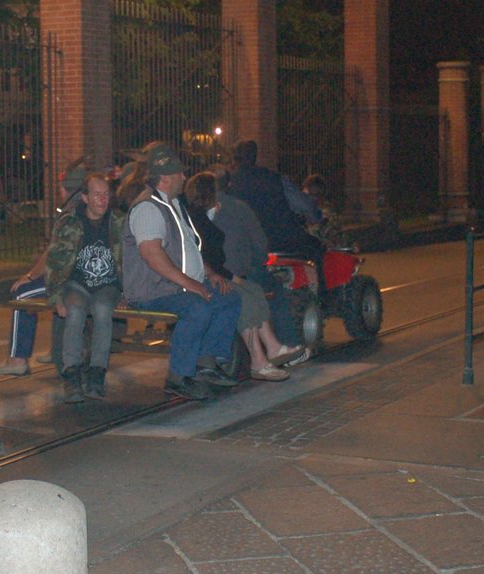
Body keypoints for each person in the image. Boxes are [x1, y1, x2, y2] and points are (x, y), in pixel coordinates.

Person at [121, 143, 243, 401]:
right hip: (152, 289)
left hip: (174, 284)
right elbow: (152, 255)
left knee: (228, 298)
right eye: (179, 173)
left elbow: (187, 248)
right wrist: (191, 284)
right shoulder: (148, 208)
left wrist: (209, 273)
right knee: (197, 307)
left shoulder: (173, 204)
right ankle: (178, 376)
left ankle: (207, 364)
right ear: (165, 178)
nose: (185, 177)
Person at [188, 171, 305, 380]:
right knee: (245, 296)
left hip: (218, 272)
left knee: (254, 290)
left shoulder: (208, 216)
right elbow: (200, 256)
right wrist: (233, 275)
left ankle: (273, 347)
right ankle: (258, 360)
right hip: (203, 276)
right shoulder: (197, 218)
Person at [0, 161, 89, 377]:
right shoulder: (86, 208)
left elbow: (53, 253)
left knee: (22, 294)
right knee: (52, 300)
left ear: (64, 190)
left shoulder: (70, 214)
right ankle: (59, 350)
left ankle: (17, 359)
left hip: (72, 279)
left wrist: (30, 275)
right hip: (86, 277)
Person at [44, 172, 125, 402]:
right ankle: (72, 373)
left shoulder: (117, 222)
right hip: (77, 283)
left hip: (107, 285)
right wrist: (57, 296)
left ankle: (97, 372)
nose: (102, 200)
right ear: (85, 198)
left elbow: (130, 259)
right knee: (75, 311)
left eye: (106, 195)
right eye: (97, 194)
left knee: (102, 310)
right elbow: (55, 260)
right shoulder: (70, 223)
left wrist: (128, 291)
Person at [230, 140, 321, 261]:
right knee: (318, 249)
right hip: (282, 240)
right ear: (255, 156)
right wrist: (316, 217)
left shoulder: (228, 183)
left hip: (244, 245)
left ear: (234, 158)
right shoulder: (274, 178)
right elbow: (305, 205)